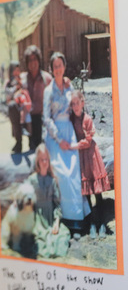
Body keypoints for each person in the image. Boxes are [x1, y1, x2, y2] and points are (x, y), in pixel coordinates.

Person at [43, 52, 88, 230]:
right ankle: (61, 215)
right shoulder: (48, 90)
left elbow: (78, 104)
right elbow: (46, 118)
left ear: (64, 66)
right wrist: (58, 138)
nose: (58, 69)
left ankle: (76, 215)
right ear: (52, 69)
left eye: (60, 65)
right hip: (54, 135)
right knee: (60, 171)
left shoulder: (69, 87)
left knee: (73, 169)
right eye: (55, 66)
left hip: (69, 131)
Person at [68, 89, 111, 239]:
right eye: (73, 104)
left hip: (91, 156)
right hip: (81, 158)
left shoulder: (87, 118)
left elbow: (87, 140)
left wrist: (74, 146)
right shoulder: (72, 120)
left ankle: (102, 224)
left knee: (97, 191)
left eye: (77, 103)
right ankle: (92, 223)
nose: (75, 106)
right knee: (86, 193)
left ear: (82, 103)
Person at [26, 144, 71, 260]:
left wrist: (56, 223)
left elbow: (57, 204)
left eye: (46, 159)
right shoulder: (32, 180)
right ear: (37, 161)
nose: (44, 162)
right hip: (38, 218)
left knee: (61, 237)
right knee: (38, 240)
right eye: (41, 159)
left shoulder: (52, 180)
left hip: (51, 217)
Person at [22, 45, 53, 153]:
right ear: (26, 63)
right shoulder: (23, 79)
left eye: (35, 59)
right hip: (27, 117)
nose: (32, 63)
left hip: (42, 118)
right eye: (30, 60)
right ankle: (19, 142)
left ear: (39, 60)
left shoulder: (47, 78)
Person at [4, 63, 31, 154]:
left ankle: (22, 140)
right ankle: (18, 142)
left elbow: (25, 88)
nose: (17, 72)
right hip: (15, 106)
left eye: (18, 70)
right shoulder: (9, 83)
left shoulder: (21, 79)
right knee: (13, 111)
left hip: (23, 104)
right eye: (15, 70)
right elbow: (7, 94)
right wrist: (15, 88)